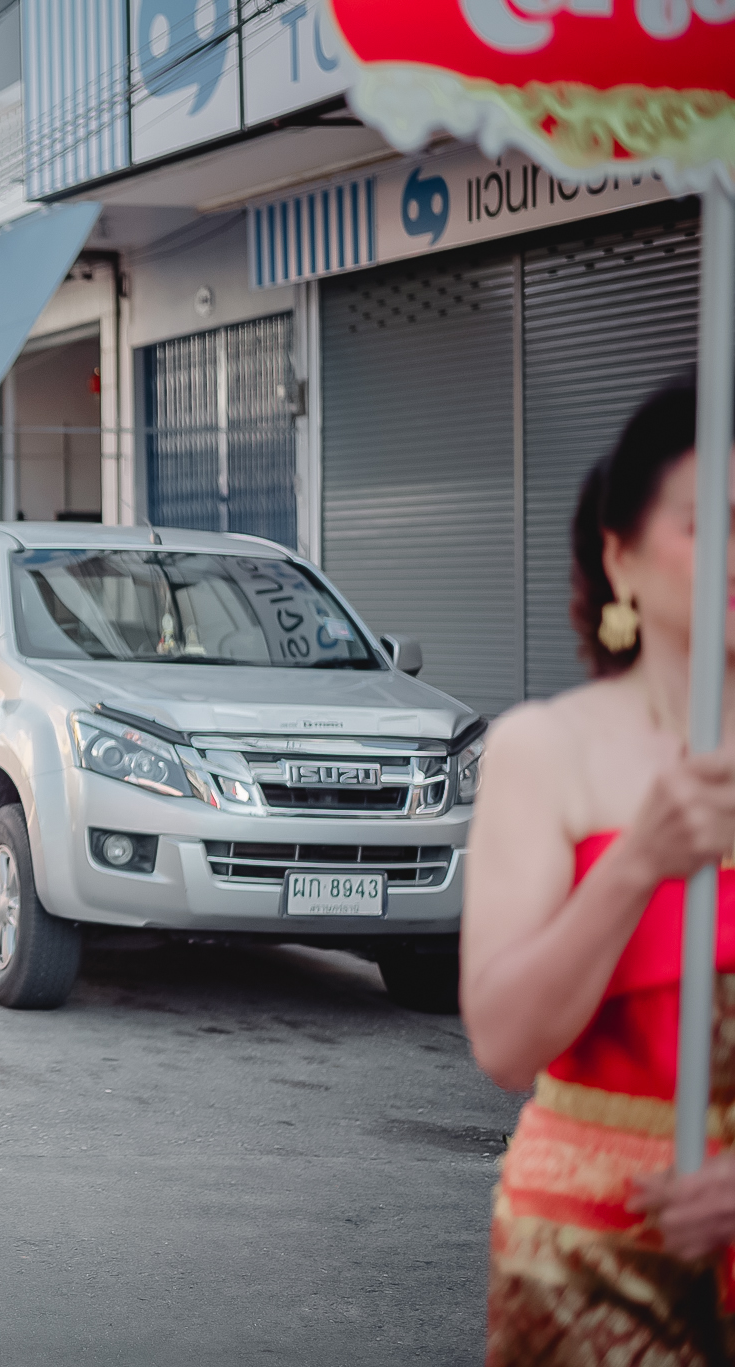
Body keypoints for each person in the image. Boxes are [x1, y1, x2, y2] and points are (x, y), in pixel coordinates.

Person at [464, 384, 735, 1360]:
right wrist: (634, 865)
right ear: (619, 555)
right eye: (711, 524)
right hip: (589, 1254)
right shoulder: (544, 750)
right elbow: (501, 1042)